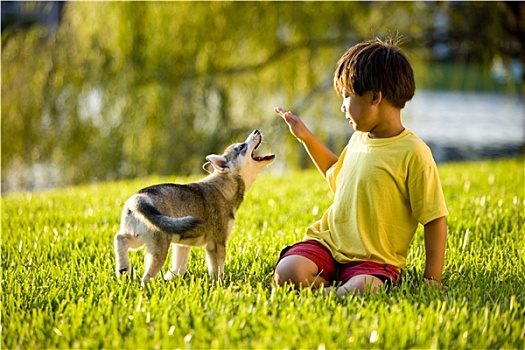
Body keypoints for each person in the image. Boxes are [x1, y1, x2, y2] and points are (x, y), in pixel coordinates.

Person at [273, 38, 448, 298]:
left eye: (347, 96)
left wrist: (432, 279)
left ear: (375, 97)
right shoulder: (358, 138)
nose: (342, 106)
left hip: (374, 261)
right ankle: (336, 290)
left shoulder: (414, 153)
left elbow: (434, 219)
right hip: (329, 245)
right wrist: (305, 137)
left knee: (364, 288)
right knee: (287, 272)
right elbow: (337, 174)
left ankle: (331, 292)